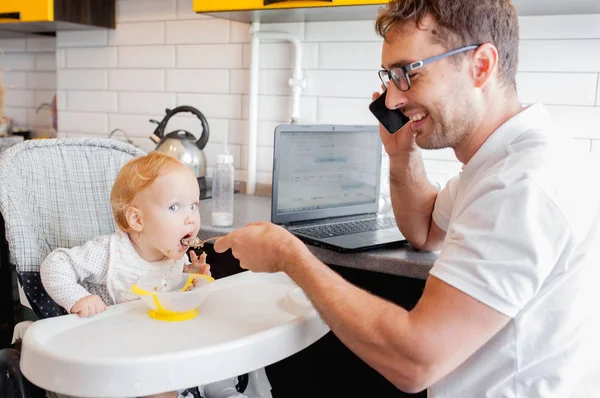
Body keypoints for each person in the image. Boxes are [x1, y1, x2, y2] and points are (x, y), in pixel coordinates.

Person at [213, 0, 600, 396]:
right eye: (390, 78)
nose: (393, 100)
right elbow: (427, 229)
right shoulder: (502, 161)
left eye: (408, 74)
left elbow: (416, 360)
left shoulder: (519, 184)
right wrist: (402, 154)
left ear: (480, 66)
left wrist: (289, 255)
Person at [41, 151, 263, 398]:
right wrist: (77, 298)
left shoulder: (171, 254)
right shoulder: (109, 253)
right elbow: (55, 264)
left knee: (217, 338)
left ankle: (224, 389)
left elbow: (166, 292)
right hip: (122, 352)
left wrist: (190, 278)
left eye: (194, 205)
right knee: (158, 391)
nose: (190, 218)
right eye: (175, 207)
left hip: (162, 339)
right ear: (137, 218)